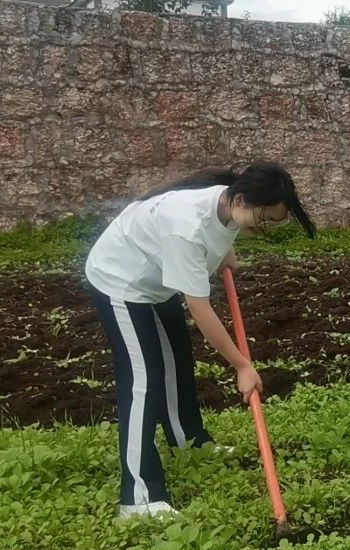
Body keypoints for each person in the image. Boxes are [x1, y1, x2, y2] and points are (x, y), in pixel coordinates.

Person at [84, 162, 316, 519]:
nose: (263, 227)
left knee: (177, 360)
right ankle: (138, 497)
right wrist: (241, 365)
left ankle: (187, 442)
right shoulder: (187, 228)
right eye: (264, 219)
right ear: (241, 199)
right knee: (143, 383)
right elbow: (200, 308)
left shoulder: (224, 203)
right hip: (122, 281)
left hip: (156, 277)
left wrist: (224, 249)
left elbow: (220, 230)